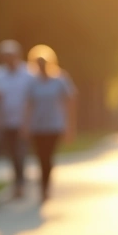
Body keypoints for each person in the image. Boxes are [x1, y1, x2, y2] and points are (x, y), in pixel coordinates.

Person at [22, 44, 76, 202]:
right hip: (37, 126)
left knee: (48, 157)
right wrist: (25, 125)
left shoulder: (60, 79)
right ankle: (42, 186)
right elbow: (28, 104)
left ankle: (46, 186)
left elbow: (71, 100)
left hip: (54, 125)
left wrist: (69, 126)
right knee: (40, 157)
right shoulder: (32, 83)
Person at [0, 39, 34, 198]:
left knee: (20, 153)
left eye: (11, 55)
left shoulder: (28, 74)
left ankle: (20, 183)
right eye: (5, 55)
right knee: (11, 153)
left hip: (23, 122)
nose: (8, 58)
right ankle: (17, 181)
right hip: (5, 122)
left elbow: (31, 100)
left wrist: (28, 122)